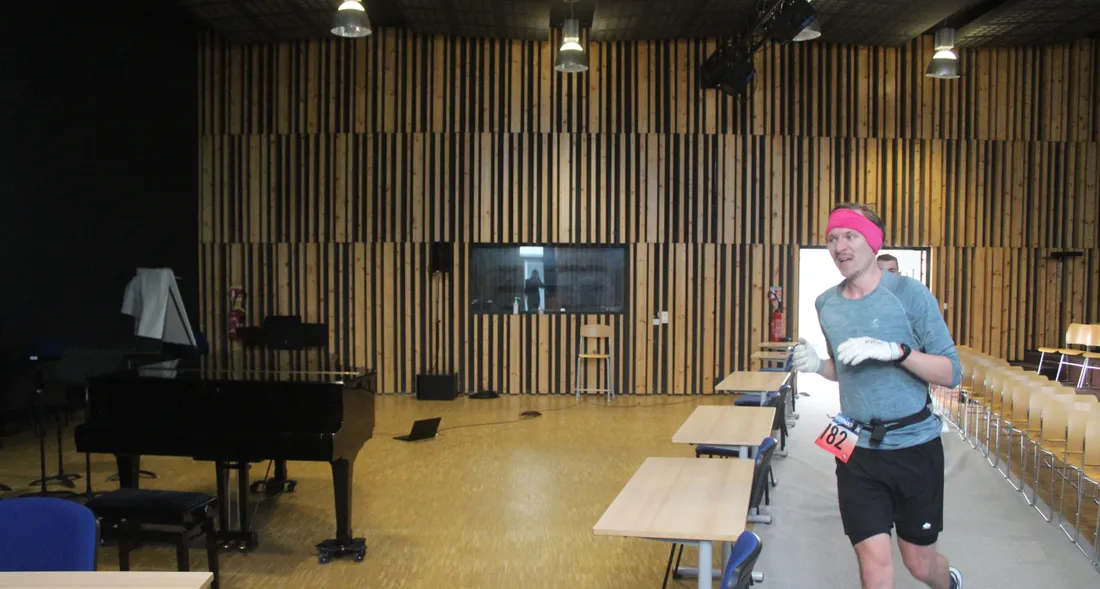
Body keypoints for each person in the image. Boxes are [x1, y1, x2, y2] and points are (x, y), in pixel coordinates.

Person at [792, 202, 964, 589]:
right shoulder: (826, 304)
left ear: (872, 241)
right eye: (832, 238)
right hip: (855, 447)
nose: (840, 247)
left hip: (914, 446)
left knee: (920, 565)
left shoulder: (910, 296)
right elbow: (844, 368)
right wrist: (817, 364)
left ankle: (948, 581)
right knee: (874, 563)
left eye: (850, 235)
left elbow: (952, 372)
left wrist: (897, 352)